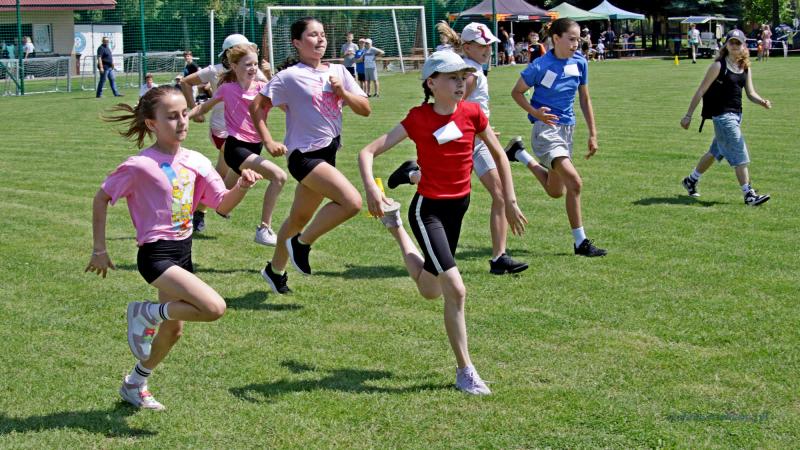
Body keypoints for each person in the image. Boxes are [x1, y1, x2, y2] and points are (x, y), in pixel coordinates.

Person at [358, 51, 527, 395]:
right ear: (431, 83)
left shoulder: (473, 113)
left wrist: (509, 199)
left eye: (463, 77)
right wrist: (372, 191)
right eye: (452, 78)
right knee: (456, 290)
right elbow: (367, 152)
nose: (460, 84)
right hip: (428, 211)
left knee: (430, 289)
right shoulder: (418, 118)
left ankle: (395, 226)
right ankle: (465, 371)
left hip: (458, 207)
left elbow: (499, 154)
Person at [86, 86, 262, 410]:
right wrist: (99, 249)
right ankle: (145, 312)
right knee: (214, 308)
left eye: (184, 114)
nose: (182, 122)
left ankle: (135, 383)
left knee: (174, 331)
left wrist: (242, 185)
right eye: (171, 117)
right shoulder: (140, 165)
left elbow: (223, 204)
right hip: (156, 255)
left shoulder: (196, 161)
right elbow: (101, 197)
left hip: (183, 252)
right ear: (152, 123)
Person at [387, 22, 528, 275]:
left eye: (490, 45)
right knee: (459, 187)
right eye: (482, 45)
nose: (488, 50)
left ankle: (499, 257)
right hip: (465, 142)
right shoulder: (468, 74)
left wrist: (480, 130)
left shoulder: (473, 69)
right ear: (467, 47)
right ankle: (413, 175)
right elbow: (453, 113)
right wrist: (472, 130)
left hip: (477, 142)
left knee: (498, 194)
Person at [250, 17, 371, 294]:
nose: (320, 39)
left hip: (328, 154)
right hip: (304, 156)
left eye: (323, 34)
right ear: (297, 42)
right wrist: (268, 140)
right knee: (351, 202)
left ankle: (274, 271)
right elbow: (257, 106)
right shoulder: (289, 76)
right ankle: (301, 244)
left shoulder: (339, 72)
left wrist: (342, 92)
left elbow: (365, 109)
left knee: (298, 219)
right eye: (313, 35)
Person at [509, 18, 607, 257]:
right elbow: (517, 92)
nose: (576, 44)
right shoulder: (540, 65)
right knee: (575, 183)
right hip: (546, 130)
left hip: (567, 130)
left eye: (578, 40)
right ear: (556, 38)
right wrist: (535, 113)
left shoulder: (580, 62)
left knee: (556, 191)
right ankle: (580, 243)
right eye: (571, 39)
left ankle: (519, 153)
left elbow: (585, 99)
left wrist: (593, 134)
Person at [189, 42, 287, 247]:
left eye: (255, 64)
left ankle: (188, 212)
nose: (253, 68)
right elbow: (203, 108)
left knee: (222, 199)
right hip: (236, 148)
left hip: (255, 147)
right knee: (278, 177)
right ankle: (264, 229)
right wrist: (183, 117)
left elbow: (286, 106)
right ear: (234, 66)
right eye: (248, 64)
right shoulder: (227, 89)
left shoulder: (262, 88)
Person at [179, 34, 270, 233]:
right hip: (222, 131)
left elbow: (271, 89)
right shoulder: (215, 71)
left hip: (244, 133)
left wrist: (268, 73)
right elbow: (186, 82)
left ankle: (202, 209)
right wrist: (194, 110)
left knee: (220, 175)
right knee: (230, 170)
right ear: (230, 55)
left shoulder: (252, 70)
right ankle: (219, 204)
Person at [680, 30, 771, 207]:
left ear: (743, 45)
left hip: (736, 115)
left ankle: (691, 180)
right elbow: (701, 90)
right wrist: (688, 115)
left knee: (715, 152)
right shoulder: (718, 66)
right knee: (739, 150)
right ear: (726, 45)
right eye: (731, 42)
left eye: (738, 43)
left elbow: (750, 93)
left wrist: (762, 101)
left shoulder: (745, 67)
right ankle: (749, 194)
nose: (735, 45)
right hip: (722, 117)